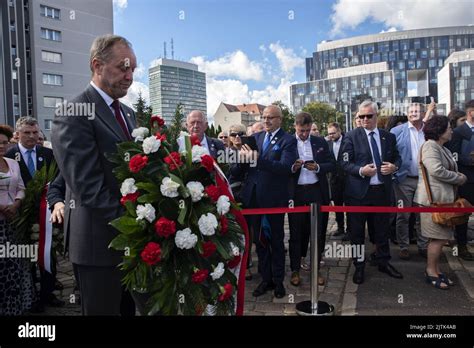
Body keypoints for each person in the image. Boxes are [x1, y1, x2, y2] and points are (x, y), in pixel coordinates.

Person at [51, 34, 138, 315]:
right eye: (123, 68)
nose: (129, 76)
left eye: (133, 69)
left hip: (131, 243)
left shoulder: (128, 113)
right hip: (98, 247)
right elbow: (88, 188)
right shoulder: (73, 113)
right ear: (97, 65)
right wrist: (136, 226)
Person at [340, 100, 403, 284]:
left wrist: (394, 166)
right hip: (358, 194)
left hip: (381, 191)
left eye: (369, 116)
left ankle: (383, 261)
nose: (365, 119)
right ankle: (359, 266)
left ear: (377, 116)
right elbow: (343, 163)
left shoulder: (388, 137)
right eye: (361, 116)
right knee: (357, 232)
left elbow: (397, 157)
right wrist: (361, 171)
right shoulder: (351, 136)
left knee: (382, 230)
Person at [237, 105, 297, 298]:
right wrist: (241, 157)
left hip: (274, 198)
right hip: (255, 198)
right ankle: (266, 279)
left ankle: (278, 281)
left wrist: (258, 159)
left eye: (271, 117)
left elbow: (285, 168)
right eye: (264, 117)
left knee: (276, 240)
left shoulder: (288, 140)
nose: (266, 121)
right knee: (260, 242)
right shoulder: (256, 138)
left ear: (280, 119)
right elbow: (244, 168)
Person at [5, 116, 62, 312]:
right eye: (27, 133)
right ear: (18, 134)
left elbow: (56, 181)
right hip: (19, 216)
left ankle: (48, 293)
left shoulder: (48, 153)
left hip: (45, 214)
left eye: (35, 132)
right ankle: (29, 293)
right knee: (26, 254)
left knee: (48, 253)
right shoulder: (10, 155)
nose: (31, 136)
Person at [415, 115, 467, 288]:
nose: (451, 130)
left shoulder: (440, 147)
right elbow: (436, 170)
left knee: (438, 238)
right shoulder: (431, 146)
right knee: (437, 239)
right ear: (439, 130)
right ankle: (431, 271)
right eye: (448, 127)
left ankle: (435, 270)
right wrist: (458, 178)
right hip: (433, 202)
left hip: (442, 201)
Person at [288, 112, 335, 286]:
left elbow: (332, 164)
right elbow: (281, 166)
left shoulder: (320, 141)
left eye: (307, 130)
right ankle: (295, 269)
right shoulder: (288, 142)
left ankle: (316, 268)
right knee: (296, 232)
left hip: (316, 190)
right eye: (301, 131)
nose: (305, 134)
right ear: (295, 127)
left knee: (319, 231)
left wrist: (318, 167)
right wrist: (293, 166)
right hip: (297, 192)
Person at [0, 125, 36, 315]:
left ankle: (13, 308)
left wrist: (15, 204)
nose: (2, 146)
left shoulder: (12, 163)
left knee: (14, 267)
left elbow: (21, 186)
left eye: (5, 142)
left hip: (13, 222)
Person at [390, 104, 429, 260]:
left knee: (423, 216)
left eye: (417, 111)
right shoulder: (397, 131)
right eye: (411, 111)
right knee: (403, 215)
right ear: (407, 114)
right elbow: (391, 154)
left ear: (423, 113)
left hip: (424, 180)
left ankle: (423, 246)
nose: (414, 114)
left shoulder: (429, 130)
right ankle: (404, 246)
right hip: (403, 180)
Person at [446, 100, 474, 261]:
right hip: (466, 180)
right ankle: (462, 246)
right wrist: (470, 160)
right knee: (463, 214)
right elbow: (453, 156)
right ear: (471, 113)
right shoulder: (458, 132)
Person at [327, 122, 348, 238]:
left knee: (349, 206)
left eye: (333, 133)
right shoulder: (327, 144)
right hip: (334, 180)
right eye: (329, 134)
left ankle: (350, 229)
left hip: (348, 180)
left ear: (339, 131)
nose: (331, 136)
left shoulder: (348, 141)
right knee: (338, 206)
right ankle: (340, 228)